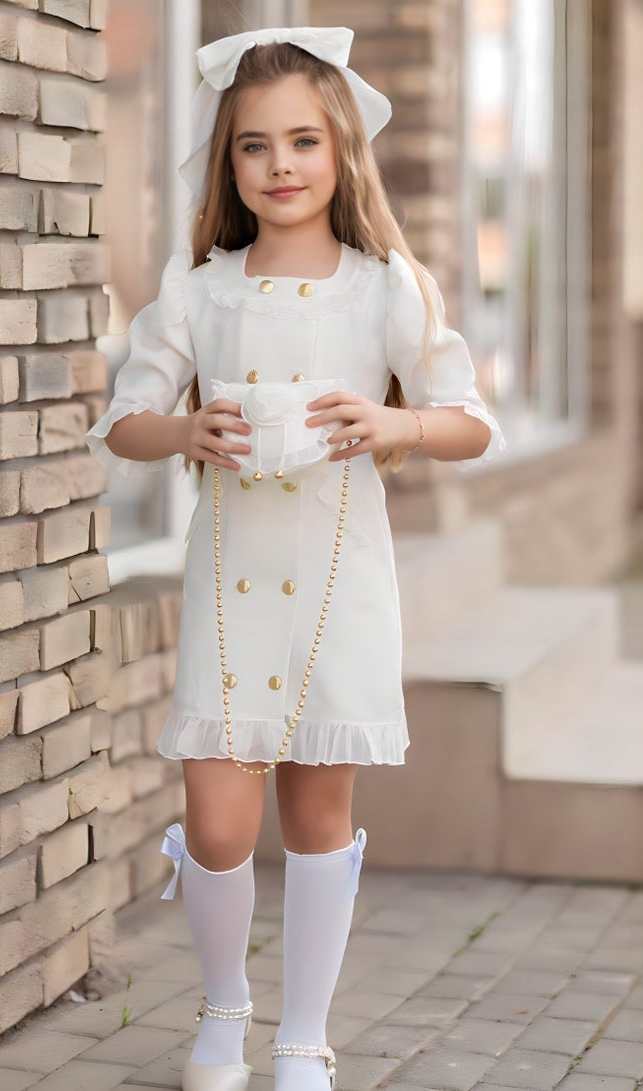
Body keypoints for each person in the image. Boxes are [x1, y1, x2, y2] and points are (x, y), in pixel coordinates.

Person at [86, 25, 504, 1091]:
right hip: (228, 591)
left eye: (302, 142)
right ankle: (223, 1007)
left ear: (340, 151)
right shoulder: (197, 292)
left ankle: (302, 1033)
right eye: (254, 146)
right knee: (216, 819)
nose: (279, 166)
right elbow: (123, 419)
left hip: (335, 581)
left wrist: (394, 425)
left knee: (319, 814)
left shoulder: (386, 288)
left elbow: (469, 420)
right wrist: (182, 433)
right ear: (226, 162)